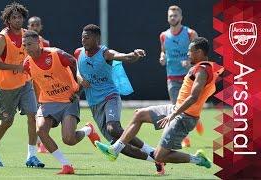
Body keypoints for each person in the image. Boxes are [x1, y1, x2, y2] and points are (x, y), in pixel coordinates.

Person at [96, 37, 224, 171]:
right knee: (140, 115)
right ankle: (115, 150)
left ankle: (198, 159)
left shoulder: (202, 70)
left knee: (159, 156)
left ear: (199, 52)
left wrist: (174, 114)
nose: (187, 54)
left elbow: (193, 97)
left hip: (184, 117)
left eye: (189, 51)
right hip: (177, 110)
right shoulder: (207, 68)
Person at [75, 24, 165, 175]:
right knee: (116, 145)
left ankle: (152, 151)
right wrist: (79, 79)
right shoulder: (79, 53)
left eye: (87, 37)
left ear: (97, 39)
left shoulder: (105, 53)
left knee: (113, 129)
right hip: (94, 103)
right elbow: (77, 69)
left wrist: (134, 54)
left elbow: (123, 56)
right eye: (82, 36)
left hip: (110, 97)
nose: (83, 39)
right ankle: (156, 159)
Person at [22, 30, 101, 174]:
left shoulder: (55, 53)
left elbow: (75, 63)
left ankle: (88, 130)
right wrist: (36, 102)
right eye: (24, 45)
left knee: (69, 140)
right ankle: (66, 165)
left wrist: (78, 89)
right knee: (40, 130)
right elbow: (34, 83)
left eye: (29, 44)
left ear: (39, 43)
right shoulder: (26, 63)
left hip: (68, 100)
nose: (27, 48)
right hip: (47, 102)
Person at [0, 2, 44, 168]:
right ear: (8, 20)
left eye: (19, 17)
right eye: (14, 17)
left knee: (33, 116)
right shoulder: (2, 38)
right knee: (7, 122)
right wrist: (16, 67)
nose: (17, 20)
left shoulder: (28, 35)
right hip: (6, 87)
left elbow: (34, 56)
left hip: (25, 83)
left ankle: (31, 156)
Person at [159, 5, 203, 147]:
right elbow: (163, 51)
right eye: (170, 15)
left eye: (175, 15)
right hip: (171, 77)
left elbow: (200, 55)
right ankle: (184, 139)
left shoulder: (190, 34)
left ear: (181, 17)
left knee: (190, 105)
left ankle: (197, 120)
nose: (173, 18)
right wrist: (162, 57)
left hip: (189, 76)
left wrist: (190, 61)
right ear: (167, 18)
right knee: (175, 108)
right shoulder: (164, 35)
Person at [27, 16, 50, 153]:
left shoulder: (46, 43)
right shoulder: (25, 43)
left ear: (40, 27)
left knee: (42, 113)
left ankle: (42, 142)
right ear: (28, 27)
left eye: (37, 25)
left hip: (42, 83)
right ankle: (39, 142)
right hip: (29, 83)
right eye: (32, 25)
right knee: (34, 113)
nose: (34, 27)